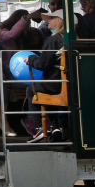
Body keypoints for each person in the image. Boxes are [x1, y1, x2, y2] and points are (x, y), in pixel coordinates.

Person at [27, 9, 67, 142]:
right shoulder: (72, 38)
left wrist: (31, 59)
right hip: (71, 83)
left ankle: (39, 127)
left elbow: (42, 64)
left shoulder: (53, 40)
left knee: (31, 89)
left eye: (52, 18)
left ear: (59, 21)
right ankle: (56, 127)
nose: (48, 21)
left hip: (55, 84)